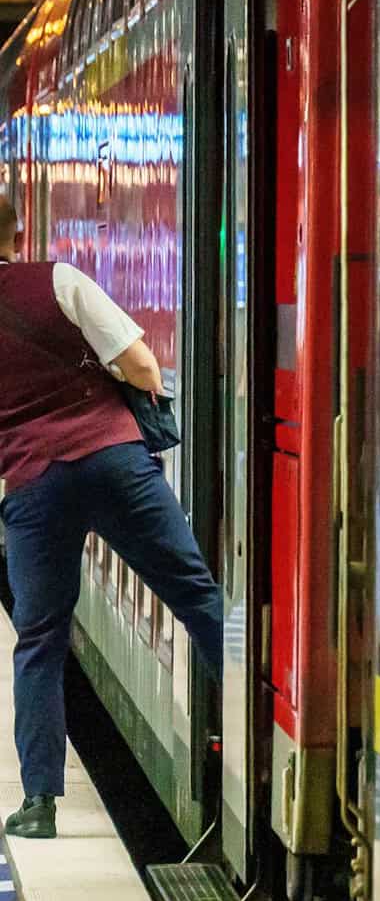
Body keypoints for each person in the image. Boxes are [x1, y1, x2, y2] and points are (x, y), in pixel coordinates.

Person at [0, 197, 222, 839]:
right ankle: (250, 734)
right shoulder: (60, 281)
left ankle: (39, 805)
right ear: (17, 230)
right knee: (197, 598)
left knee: (38, 641)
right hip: (116, 463)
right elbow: (143, 364)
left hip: (34, 486)